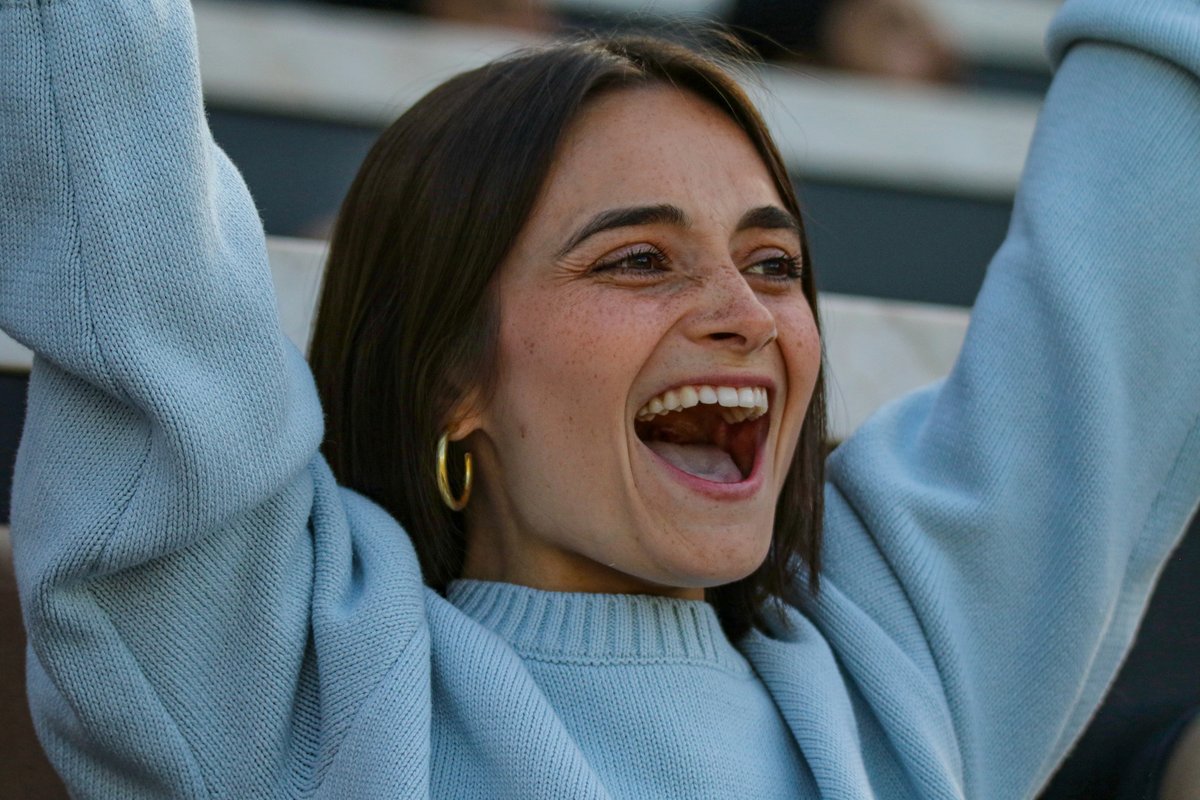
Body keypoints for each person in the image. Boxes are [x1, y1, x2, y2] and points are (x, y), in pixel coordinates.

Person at [1, 0, 1197, 798]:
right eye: (637, 259)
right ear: (450, 377)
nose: (745, 310)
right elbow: (116, 192)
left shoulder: (899, 677)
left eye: (774, 262)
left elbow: (1137, 253)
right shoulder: (286, 682)